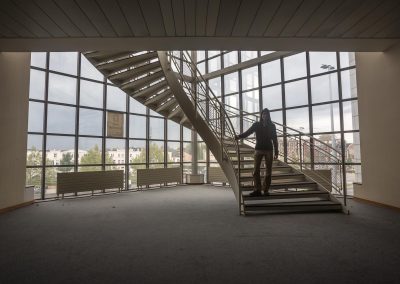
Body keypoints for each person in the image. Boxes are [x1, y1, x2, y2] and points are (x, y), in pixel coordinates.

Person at [235, 108, 279, 197]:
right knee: (255, 171)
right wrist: (239, 136)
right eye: (263, 114)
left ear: (268, 116)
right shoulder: (256, 125)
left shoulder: (272, 126)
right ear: (261, 115)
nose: (265, 116)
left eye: (266, 114)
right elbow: (248, 132)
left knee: (268, 172)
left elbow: (275, 139)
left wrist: (276, 151)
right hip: (258, 149)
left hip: (269, 150)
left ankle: (265, 190)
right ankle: (257, 190)